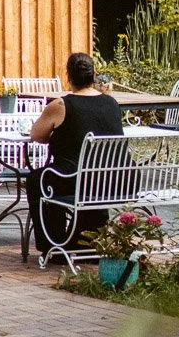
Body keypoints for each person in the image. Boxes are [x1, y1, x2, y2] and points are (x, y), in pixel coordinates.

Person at [25, 51, 124, 254]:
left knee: (38, 180)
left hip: (76, 178)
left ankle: (53, 244)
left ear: (68, 76)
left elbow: (36, 135)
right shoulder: (111, 103)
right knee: (59, 178)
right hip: (113, 178)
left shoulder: (62, 105)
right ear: (93, 75)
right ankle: (87, 240)